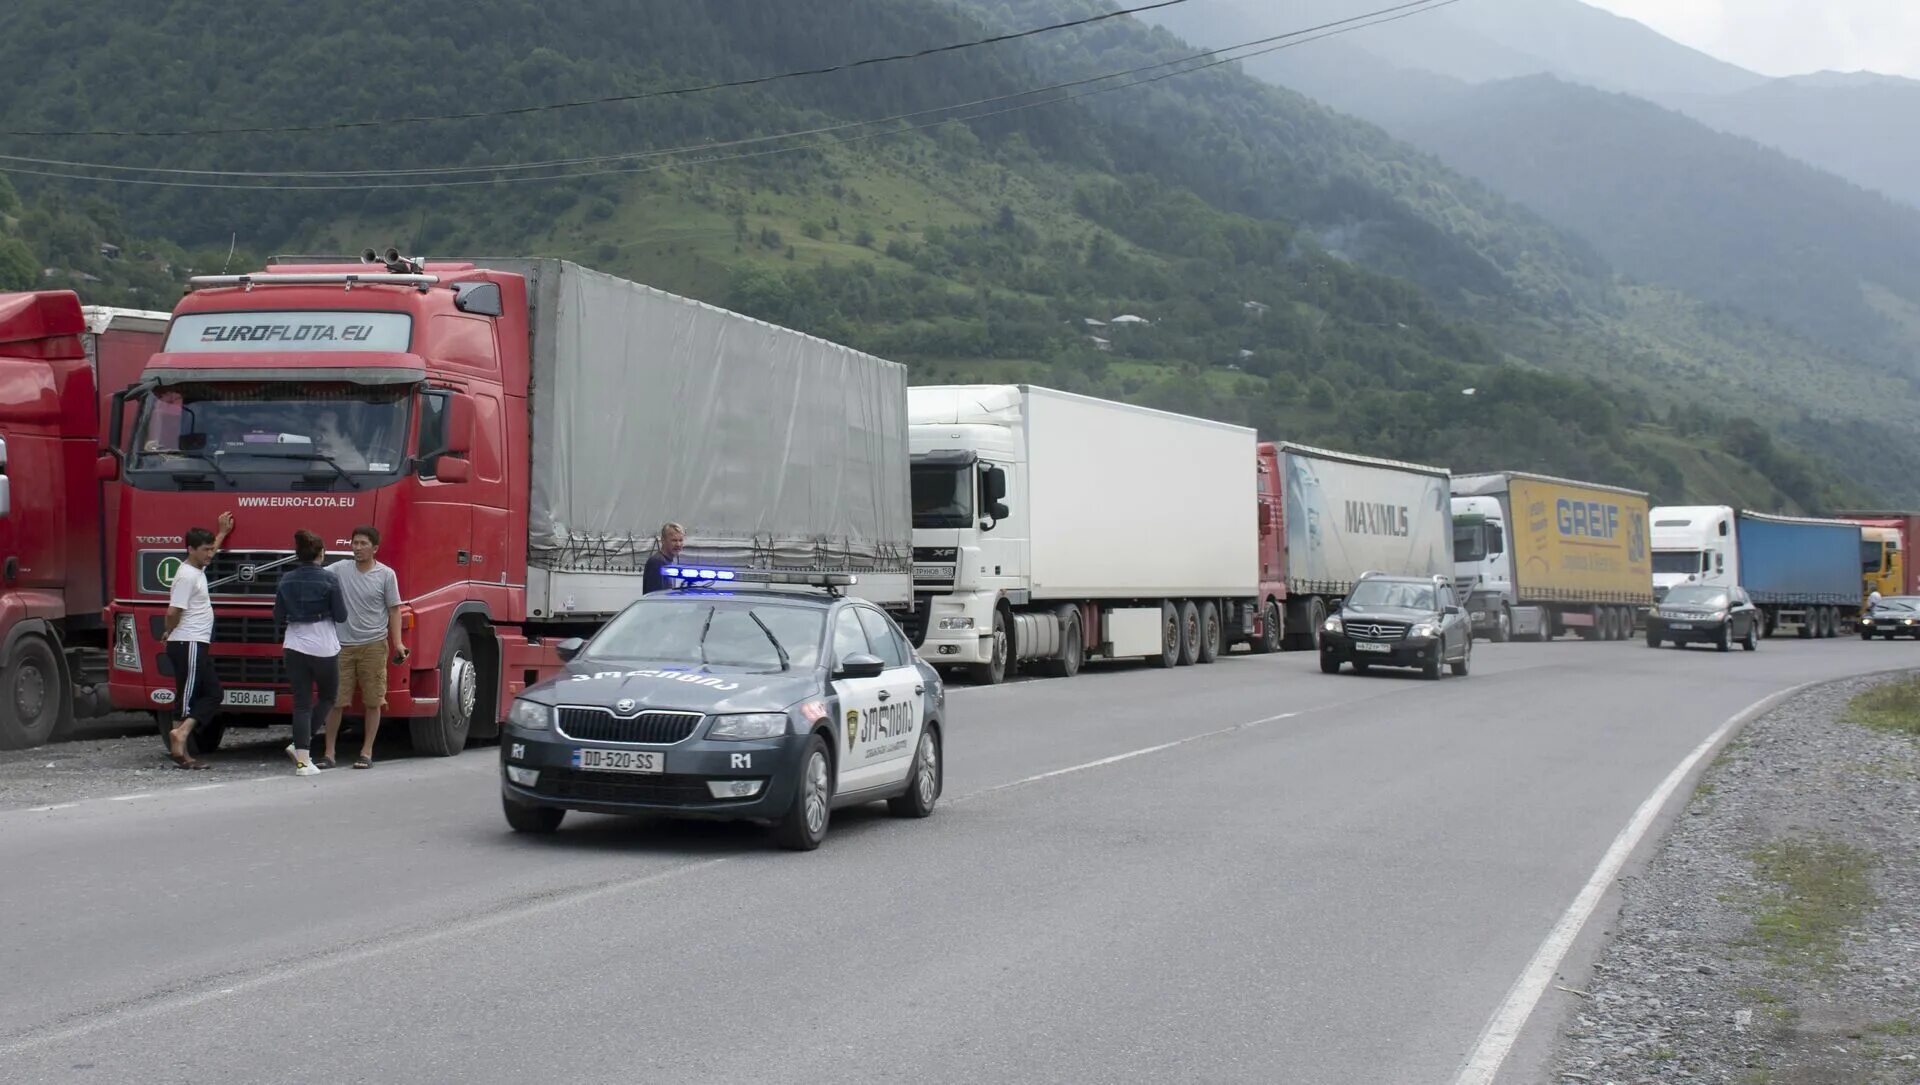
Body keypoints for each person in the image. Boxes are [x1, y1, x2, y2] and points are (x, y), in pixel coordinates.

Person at [323, 525, 407, 769]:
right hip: (342, 646)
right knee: (336, 701)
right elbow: (316, 574)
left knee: (373, 700)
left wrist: (398, 642)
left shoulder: (386, 574)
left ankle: (366, 752)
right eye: (354, 543)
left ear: (375, 548)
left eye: (362, 544)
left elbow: (394, 610)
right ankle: (329, 753)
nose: (357, 548)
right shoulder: (339, 569)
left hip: (374, 645)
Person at [163, 511, 234, 769]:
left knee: (212, 692)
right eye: (204, 550)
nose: (209, 554)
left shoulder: (197, 568)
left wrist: (222, 533)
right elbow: (173, 611)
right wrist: (169, 631)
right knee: (189, 695)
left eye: (210, 549)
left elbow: (212, 550)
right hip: (188, 642)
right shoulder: (187, 576)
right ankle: (180, 743)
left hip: (194, 642)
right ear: (190, 549)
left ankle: (179, 741)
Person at [275, 529, 346, 776]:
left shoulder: (285, 580)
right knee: (328, 696)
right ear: (321, 554)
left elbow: (277, 616)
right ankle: (299, 746)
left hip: (294, 645)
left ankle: (303, 761)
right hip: (323, 646)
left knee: (301, 703)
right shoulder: (330, 580)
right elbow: (341, 615)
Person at [643, 522, 687, 594]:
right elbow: (657, 597)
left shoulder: (668, 562)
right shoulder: (658, 562)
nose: (678, 544)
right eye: (674, 540)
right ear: (663, 540)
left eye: (681, 540)